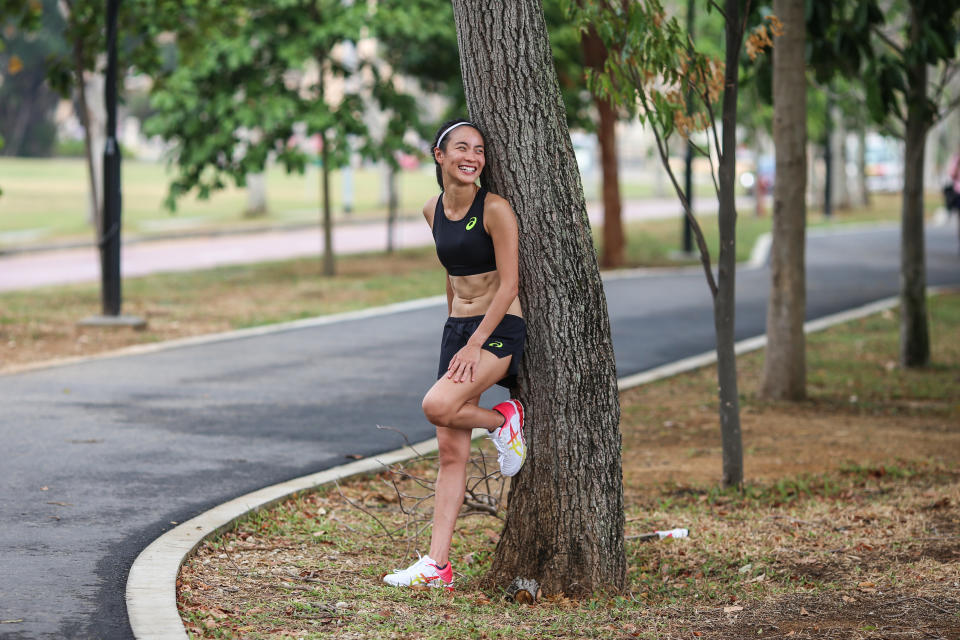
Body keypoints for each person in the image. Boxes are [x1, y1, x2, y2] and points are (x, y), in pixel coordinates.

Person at [382, 119, 527, 592]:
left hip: (498, 328)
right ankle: (437, 566)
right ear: (439, 156)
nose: (472, 156)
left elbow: (509, 285)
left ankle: (503, 420)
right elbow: (452, 274)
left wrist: (474, 343)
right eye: (461, 147)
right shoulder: (432, 210)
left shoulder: (496, 209)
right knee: (449, 452)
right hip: (458, 329)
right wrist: (454, 332)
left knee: (437, 406)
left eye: (479, 149)